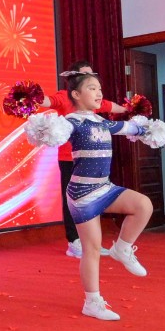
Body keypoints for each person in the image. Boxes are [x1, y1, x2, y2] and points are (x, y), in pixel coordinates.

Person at [26, 72, 165, 322]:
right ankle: (92, 302)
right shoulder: (71, 122)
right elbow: (54, 130)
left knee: (143, 205)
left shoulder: (102, 122)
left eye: (99, 88)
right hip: (82, 194)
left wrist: (148, 128)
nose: (99, 92)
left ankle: (122, 248)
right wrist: (46, 127)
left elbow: (130, 127)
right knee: (91, 249)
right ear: (76, 94)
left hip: (105, 188)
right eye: (92, 88)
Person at [47, 61, 126, 260]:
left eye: (93, 77)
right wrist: (28, 98)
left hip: (93, 159)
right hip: (69, 159)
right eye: (85, 76)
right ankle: (74, 242)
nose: (90, 80)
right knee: (72, 200)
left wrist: (132, 108)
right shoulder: (63, 96)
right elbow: (47, 101)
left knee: (94, 198)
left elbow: (114, 107)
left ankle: (92, 243)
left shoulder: (94, 102)